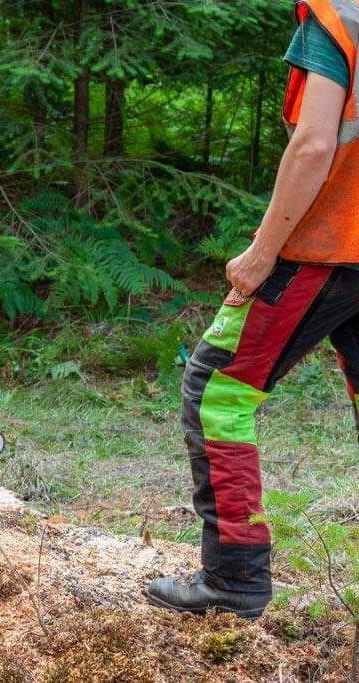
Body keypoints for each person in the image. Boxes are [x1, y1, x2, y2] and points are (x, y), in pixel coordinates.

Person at [146, 0, 359, 619]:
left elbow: (316, 142)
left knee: (217, 391)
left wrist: (264, 252)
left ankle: (234, 580)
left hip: (323, 247)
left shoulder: (338, 18)